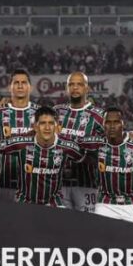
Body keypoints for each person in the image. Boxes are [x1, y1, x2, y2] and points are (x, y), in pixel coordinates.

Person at [80, 106, 133, 227]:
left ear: (123, 124)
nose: (112, 126)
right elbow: (72, 143)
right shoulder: (96, 143)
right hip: (105, 205)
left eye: (116, 122)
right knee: (97, 236)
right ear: (103, 125)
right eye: (108, 122)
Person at [0, 106, 83, 207]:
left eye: (51, 123)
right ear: (35, 127)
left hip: (54, 204)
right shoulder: (21, 143)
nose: (47, 128)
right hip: (24, 202)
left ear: (56, 126)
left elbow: (85, 158)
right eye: (42, 123)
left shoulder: (68, 146)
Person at [54, 71, 106, 212]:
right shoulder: (56, 112)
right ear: (67, 88)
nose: (75, 88)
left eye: (79, 84)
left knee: (87, 225)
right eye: (71, 84)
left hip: (87, 184)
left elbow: (111, 146)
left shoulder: (99, 116)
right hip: (58, 185)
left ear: (87, 88)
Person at [0, 69, 40, 201]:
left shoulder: (40, 113)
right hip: (3, 183)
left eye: (24, 82)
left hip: (33, 184)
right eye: (16, 83)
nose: (20, 86)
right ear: (9, 87)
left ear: (31, 87)